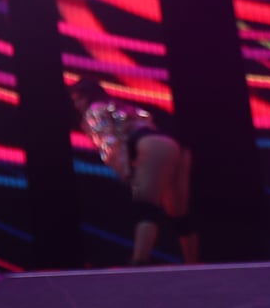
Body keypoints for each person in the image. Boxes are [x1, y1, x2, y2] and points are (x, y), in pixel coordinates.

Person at [72, 78, 199, 266]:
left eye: (77, 99)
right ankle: (194, 263)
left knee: (146, 208)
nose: (76, 105)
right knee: (179, 213)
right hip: (172, 144)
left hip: (149, 146)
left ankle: (139, 261)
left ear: (85, 97)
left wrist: (126, 171)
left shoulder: (94, 111)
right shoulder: (122, 107)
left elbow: (109, 143)